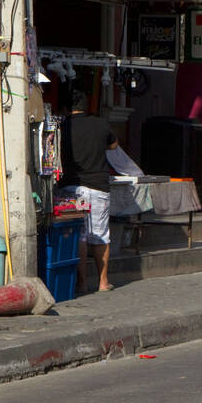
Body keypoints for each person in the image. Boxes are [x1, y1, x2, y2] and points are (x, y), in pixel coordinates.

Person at [60, 89, 119, 293]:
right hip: (98, 186)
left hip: (71, 187)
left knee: (81, 235)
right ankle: (103, 282)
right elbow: (114, 145)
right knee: (101, 235)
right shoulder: (100, 124)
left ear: (66, 109)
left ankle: (82, 283)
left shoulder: (62, 126)